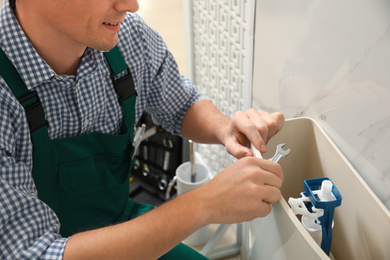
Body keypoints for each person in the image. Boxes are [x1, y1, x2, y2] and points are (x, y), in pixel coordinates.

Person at [0, 0, 285, 259]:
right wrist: (203, 204)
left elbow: (180, 103)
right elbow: (35, 253)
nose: (132, 5)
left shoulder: (125, 36)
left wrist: (225, 129)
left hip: (123, 224)